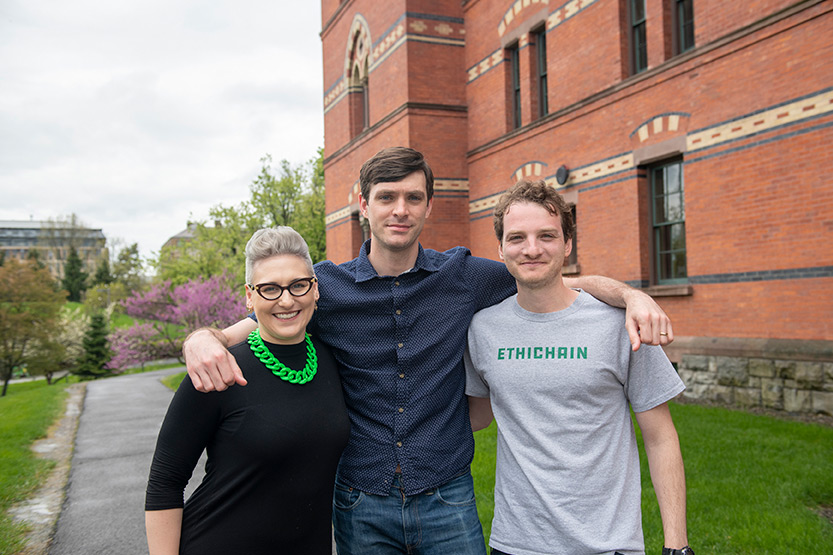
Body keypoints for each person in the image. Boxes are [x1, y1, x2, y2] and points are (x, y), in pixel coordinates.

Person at [182, 147, 675, 555]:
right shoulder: (327, 287)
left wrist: (632, 295)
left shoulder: (463, 276)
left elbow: (545, 277)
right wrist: (206, 337)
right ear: (363, 204)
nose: (401, 209)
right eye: (387, 197)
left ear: (428, 207)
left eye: (413, 198)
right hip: (361, 500)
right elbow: (268, 313)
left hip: (448, 496)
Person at [465, 179, 692, 555]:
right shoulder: (482, 329)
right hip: (516, 544)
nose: (532, 249)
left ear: (567, 244)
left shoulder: (622, 325)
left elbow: (661, 437)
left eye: (547, 236)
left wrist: (677, 546)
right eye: (518, 237)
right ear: (501, 249)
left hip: (609, 544)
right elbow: (478, 415)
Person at [144, 227, 350, 555]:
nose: (286, 300)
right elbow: (165, 482)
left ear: (315, 290)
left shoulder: (331, 358)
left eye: (298, 285)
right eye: (269, 289)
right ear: (249, 296)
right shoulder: (218, 370)